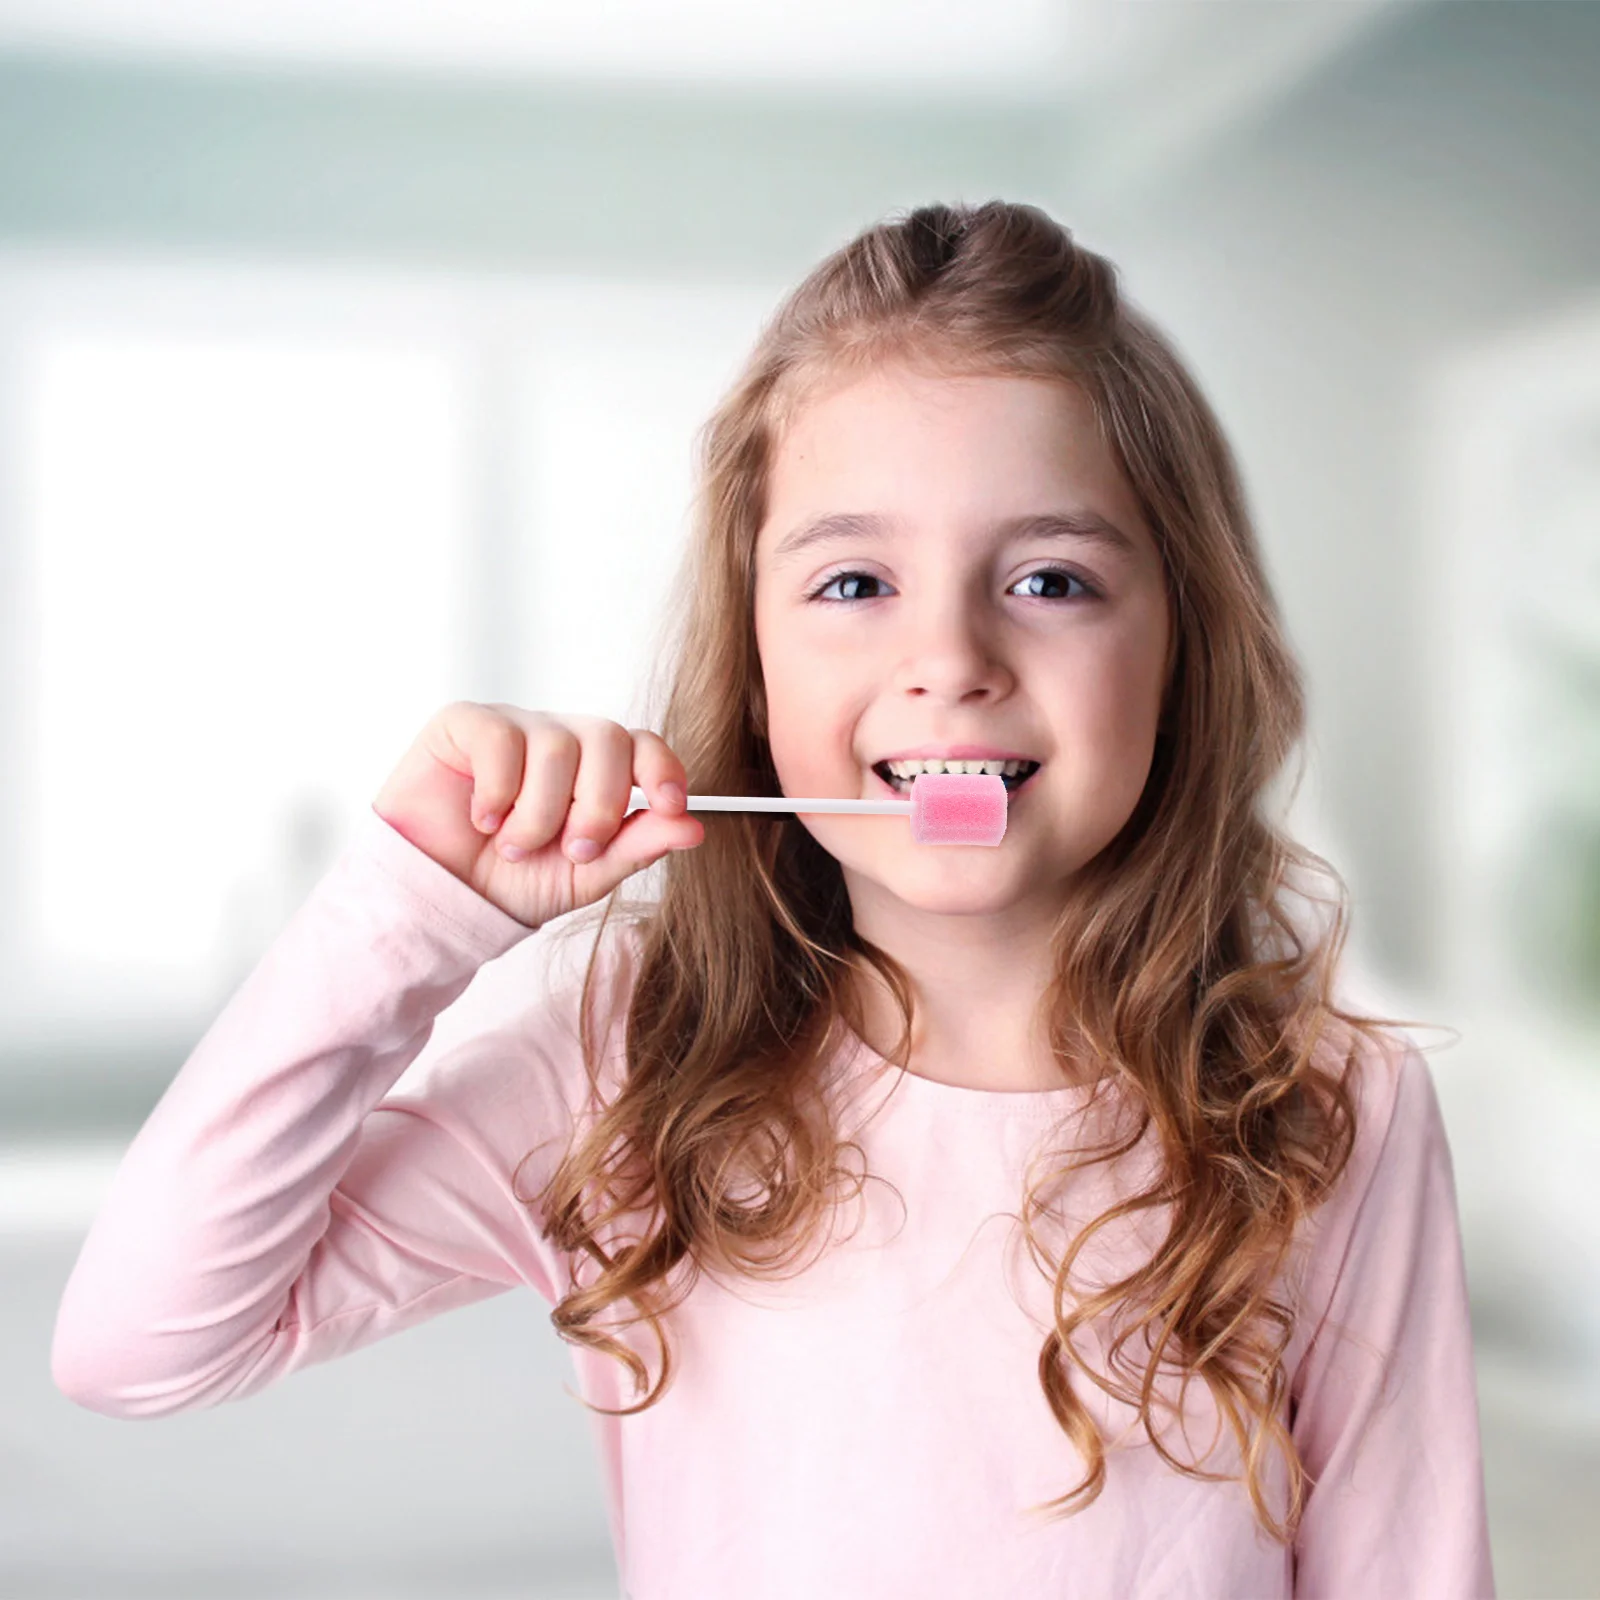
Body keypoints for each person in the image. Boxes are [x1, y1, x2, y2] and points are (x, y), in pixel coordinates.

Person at [51, 200, 1496, 1598]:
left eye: (1051, 579)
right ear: (753, 659)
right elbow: (141, 1345)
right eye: (856, 581)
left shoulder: (1330, 1109)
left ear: (1181, 640)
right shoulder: (627, 1067)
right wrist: (413, 912)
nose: (952, 657)